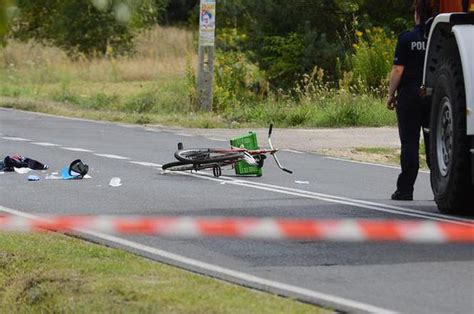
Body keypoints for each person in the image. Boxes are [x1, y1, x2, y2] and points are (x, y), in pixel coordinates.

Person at [386, 0, 433, 201]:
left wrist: (390, 94)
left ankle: (405, 189)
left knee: (409, 143)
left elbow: (398, 70)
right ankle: (440, 188)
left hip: (409, 96)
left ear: (416, 15)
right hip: (434, 96)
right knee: (434, 143)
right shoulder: (439, 37)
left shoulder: (406, 38)